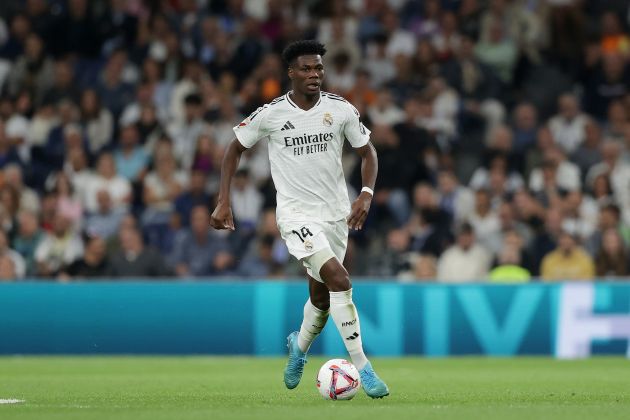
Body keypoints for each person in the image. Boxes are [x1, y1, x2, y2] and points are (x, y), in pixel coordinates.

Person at [209, 40, 389, 398]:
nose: (314, 74)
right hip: (295, 216)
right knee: (340, 279)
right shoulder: (272, 113)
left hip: (335, 215)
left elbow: (367, 151)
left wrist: (366, 195)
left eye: (318, 68)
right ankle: (364, 368)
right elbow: (234, 148)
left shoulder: (340, 110)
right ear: (290, 72)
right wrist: (223, 200)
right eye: (306, 69)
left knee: (322, 299)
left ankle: (299, 349)